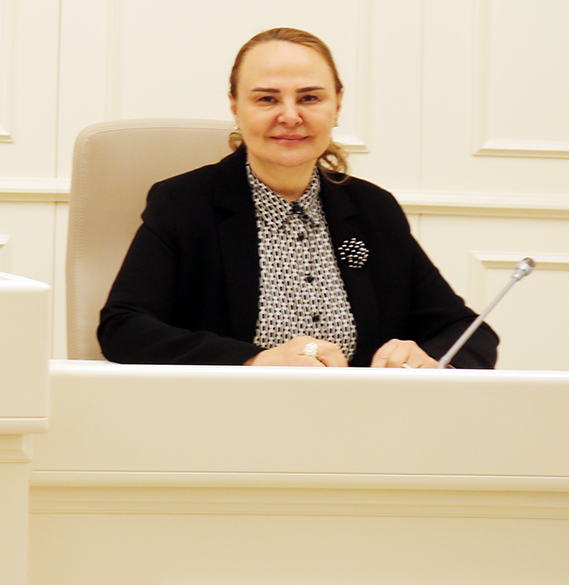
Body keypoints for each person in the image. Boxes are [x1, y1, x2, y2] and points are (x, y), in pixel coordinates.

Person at [98, 28, 494, 369]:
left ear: (337, 105)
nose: (290, 116)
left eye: (309, 98)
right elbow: (123, 327)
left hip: (358, 423)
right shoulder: (183, 203)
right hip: (225, 419)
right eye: (267, 99)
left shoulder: (373, 210)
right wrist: (255, 360)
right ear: (235, 107)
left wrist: (428, 358)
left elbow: (467, 331)